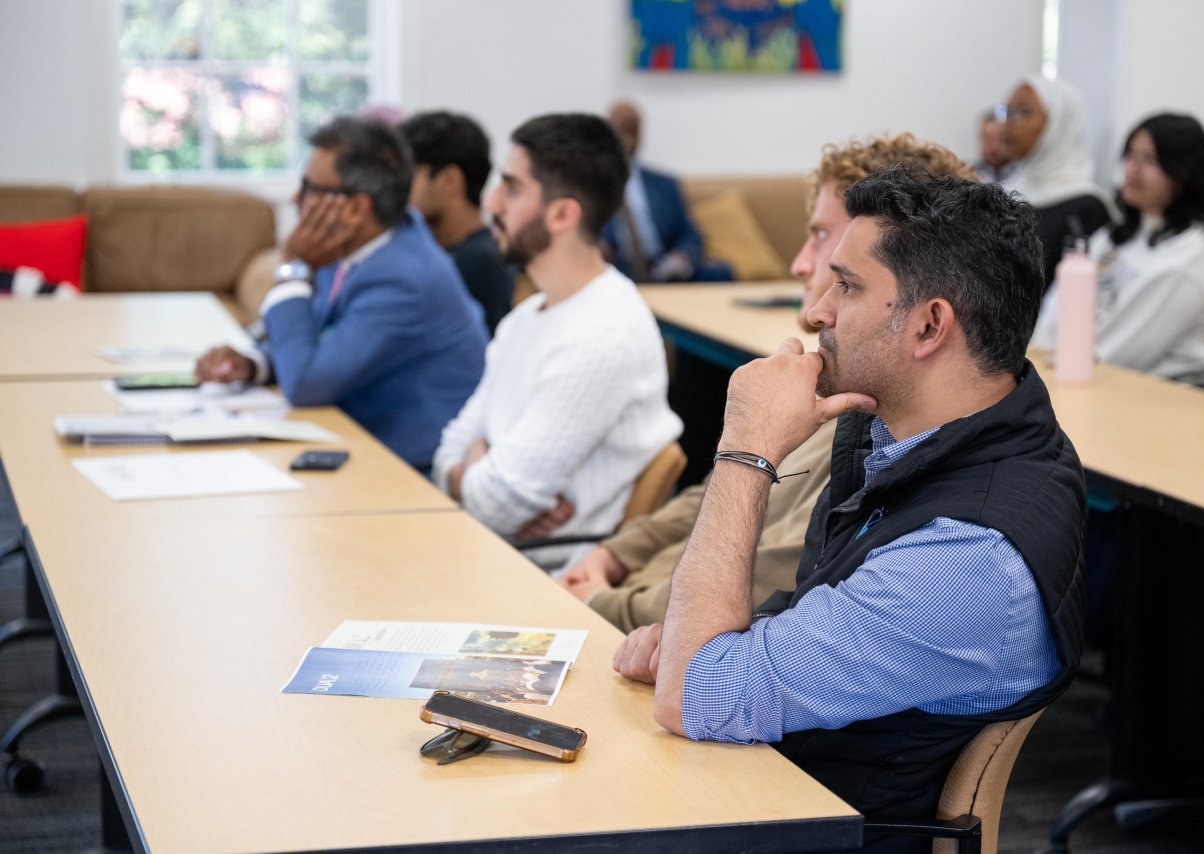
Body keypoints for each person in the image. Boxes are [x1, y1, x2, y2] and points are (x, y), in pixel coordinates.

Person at [612, 166, 1086, 842]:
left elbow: (697, 695)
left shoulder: (970, 555)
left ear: (929, 326)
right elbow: (803, 612)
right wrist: (710, 648)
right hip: (779, 793)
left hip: (811, 827)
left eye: (849, 286)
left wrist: (747, 450)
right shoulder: (916, 437)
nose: (816, 312)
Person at [561, 133, 976, 632]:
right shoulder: (836, 392)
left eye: (823, 237)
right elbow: (721, 490)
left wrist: (603, 604)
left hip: (654, 630)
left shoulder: (882, 432)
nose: (800, 263)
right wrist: (615, 556)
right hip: (640, 614)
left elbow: (771, 577)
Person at [432, 113, 682, 567]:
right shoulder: (528, 315)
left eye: (511, 188)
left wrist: (476, 467)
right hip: (496, 555)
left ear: (563, 213)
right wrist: (476, 466)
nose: (490, 202)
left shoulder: (601, 334)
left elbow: (494, 506)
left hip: (541, 580)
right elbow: (449, 450)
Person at [195, 117, 487, 474]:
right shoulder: (358, 247)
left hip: (410, 472)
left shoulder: (405, 278)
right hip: (357, 446)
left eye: (309, 188)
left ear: (355, 208)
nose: (296, 199)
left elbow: (306, 382)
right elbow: (316, 342)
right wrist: (254, 365)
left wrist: (292, 269)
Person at [1032, 113, 1204, 385]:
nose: (1133, 169)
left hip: (1166, 393)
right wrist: (1042, 352)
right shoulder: (1115, 235)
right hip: (1079, 372)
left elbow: (1120, 351)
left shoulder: (1192, 252)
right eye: (1130, 156)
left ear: (1184, 172)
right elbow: (1057, 308)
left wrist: (1061, 358)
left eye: (1149, 160)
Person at [399, 110, 515, 335]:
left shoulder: (479, 260)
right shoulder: (440, 253)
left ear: (449, 180)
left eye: (407, 176)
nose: (397, 190)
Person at [1001, 75, 1117, 288]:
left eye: (1022, 112)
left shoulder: (1087, 208)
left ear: (1059, 123)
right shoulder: (1005, 193)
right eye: (1006, 111)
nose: (1007, 124)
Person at [599, 100, 730, 282]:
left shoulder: (664, 183)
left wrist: (682, 256)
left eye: (632, 131)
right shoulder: (591, 184)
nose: (627, 139)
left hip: (663, 268)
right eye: (620, 130)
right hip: (618, 269)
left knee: (722, 272)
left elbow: (689, 234)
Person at [974, 108, 1016, 185]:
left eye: (1000, 139)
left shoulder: (1028, 175)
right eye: (988, 139)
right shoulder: (969, 176)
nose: (994, 147)